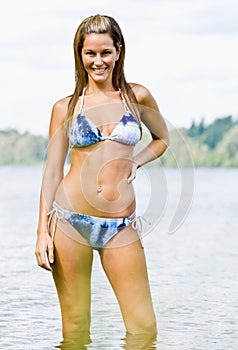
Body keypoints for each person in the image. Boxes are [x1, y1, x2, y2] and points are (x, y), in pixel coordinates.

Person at [35, 14, 169, 347]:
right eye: (90, 53)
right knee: (76, 328)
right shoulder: (65, 107)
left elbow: (162, 139)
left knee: (143, 328)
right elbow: (52, 171)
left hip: (120, 226)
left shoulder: (137, 97)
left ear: (119, 51)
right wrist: (41, 232)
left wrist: (136, 162)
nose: (98, 61)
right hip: (68, 223)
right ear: (79, 55)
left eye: (105, 52)